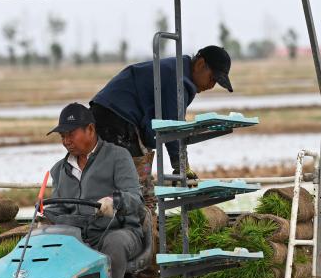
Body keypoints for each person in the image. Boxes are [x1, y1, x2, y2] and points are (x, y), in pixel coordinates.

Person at [90, 45, 234, 208]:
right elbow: (173, 127)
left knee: (136, 182)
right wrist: (181, 166)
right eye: (212, 78)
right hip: (115, 116)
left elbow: (172, 125)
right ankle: (129, 217)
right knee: (135, 183)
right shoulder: (177, 78)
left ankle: (133, 215)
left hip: (116, 115)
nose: (212, 85)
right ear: (200, 64)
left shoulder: (180, 73)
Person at [43, 103, 145, 278]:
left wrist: (115, 201)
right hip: (77, 237)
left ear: (90, 129)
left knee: (115, 243)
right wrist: (47, 216)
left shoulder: (118, 156)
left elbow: (136, 200)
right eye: (62, 136)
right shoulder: (59, 170)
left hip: (119, 231)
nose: (66, 141)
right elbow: (58, 209)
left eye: (71, 134)